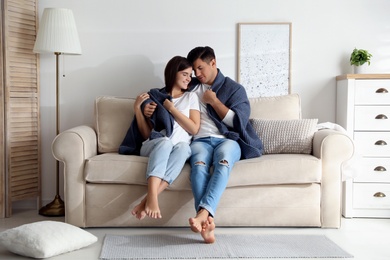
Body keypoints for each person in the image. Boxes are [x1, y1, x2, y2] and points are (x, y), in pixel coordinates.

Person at [185, 46, 263, 243]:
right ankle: (207, 222)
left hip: (228, 140)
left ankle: (202, 217)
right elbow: (166, 92)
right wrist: (144, 105)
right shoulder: (191, 86)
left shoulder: (234, 89)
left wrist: (214, 101)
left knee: (223, 162)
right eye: (194, 70)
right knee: (199, 166)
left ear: (214, 63)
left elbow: (239, 122)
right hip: (199, 141)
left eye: (201, 68)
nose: (197, 74)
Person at [120, 56, 200, 220]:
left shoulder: (191, 97)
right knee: (164, 142)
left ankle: (148, 200)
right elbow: (146, 134)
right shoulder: (155, 97)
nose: (188, 78)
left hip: (179, 148)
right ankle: (152, 198)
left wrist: (171, 109)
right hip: (155, 146)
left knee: (185, 148)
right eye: (185, 74)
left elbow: (193, 128)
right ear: (173, 73)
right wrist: (138, 109)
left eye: (190, 75)